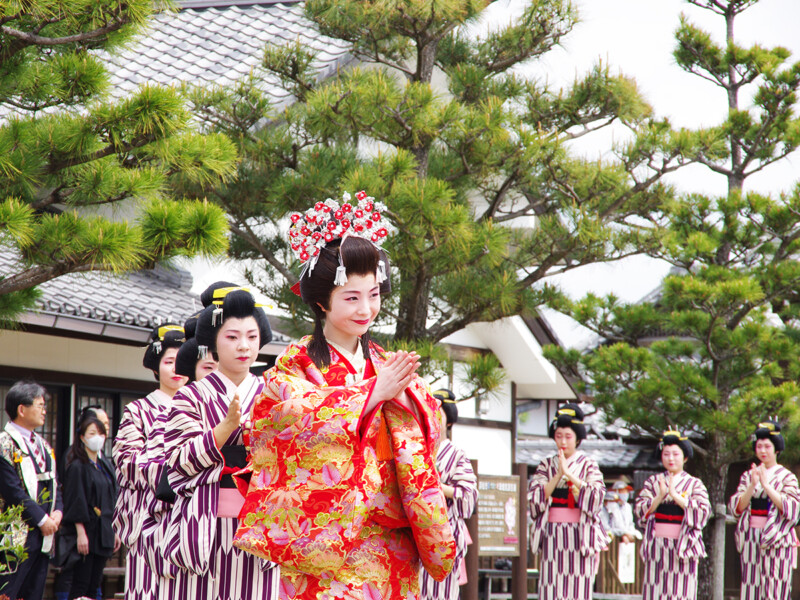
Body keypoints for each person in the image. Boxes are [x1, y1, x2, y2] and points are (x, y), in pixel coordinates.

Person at [233, 191, 456, 599]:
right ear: (322, 301)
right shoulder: (297, 363)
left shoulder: (385, 362)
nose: (365, 309)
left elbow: (429, 436)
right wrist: (372, 394)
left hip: (391, 542)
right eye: (352, 298)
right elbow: (278, 422)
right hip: (326, 543)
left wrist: (414, 405)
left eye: (373, 295)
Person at [158, 285, 278, 600]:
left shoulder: (274, 394)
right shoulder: (191, 396)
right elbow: (178, 461)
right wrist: (224, 429)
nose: (244, 346)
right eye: (232, 337)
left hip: (259, 525)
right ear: (213, 341)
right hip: (203, 526)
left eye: (252, 337)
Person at [113, 324, 187, 600]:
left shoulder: (199, 407)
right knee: (148, 589)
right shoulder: (138, 410)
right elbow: (127, 461)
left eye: (182, 361)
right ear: (156, 367)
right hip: (148, 516)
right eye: (169, 362)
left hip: (189, 517)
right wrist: (179, 469)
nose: (176, 368)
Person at [528, 403, 607, 599]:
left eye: (568, 436)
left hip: (579, 535)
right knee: (551, 585)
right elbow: (535, 498)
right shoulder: (546, 465)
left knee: (577, 586)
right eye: (559, 436)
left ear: (578, 438)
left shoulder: (588, 464)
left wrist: (571, 476)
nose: (563, 441)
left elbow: (597, 497)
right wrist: (557, 475)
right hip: (552, 533)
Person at [0, 380, 63, 600]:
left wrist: (58, 512)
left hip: (43, 535)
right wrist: (42, 520)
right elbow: (12, 491)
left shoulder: (43, 445)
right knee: (8, 591)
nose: (44, 411)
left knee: (33, 593)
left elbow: (55, 484)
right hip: (13, 536)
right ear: (21, 409)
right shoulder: (4, 444)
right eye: (40, 405)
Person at [634, 430, 710, 600]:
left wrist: (676, 496)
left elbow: (703, 512)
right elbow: (640, 510)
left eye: (676, 454)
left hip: (683, 546)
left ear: (685, 457)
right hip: (657, 544)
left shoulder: (694, 483)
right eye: (666, 454)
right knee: (655, 590)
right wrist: (660, 496)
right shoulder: (653, 482)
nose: (671, 458)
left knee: (680, 591)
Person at [729, 420, 799, 600]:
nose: (762, 451)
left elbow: (793, 509)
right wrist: (752, 485)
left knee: (775, 586)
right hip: (751, 536)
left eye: (767, 446)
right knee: (751, 585)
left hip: (777, 538)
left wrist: (767, 486)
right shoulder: (748, 476)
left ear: (776, 449)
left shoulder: (787, 477)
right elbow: (737, 508)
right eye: (759, 446)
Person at [420, 389, 478, 600]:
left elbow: (468, 494)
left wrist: (435, 486)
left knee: (441, 592)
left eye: (439, 414)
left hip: (445, 532)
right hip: (417, 531)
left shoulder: (456, 455)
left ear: (449, 421)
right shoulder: (417, 451)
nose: (434, 418)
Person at [59, 415, 120, 600]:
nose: (97, 438)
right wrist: (80, 532)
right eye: (92, 433)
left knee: (95, 584)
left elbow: (112, 497)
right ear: (82, 437)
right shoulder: (77, 465)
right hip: (86, 532)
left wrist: (115, 529)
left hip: (103, 532)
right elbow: (75, 499)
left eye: (100, 433)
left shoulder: (105, 465)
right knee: (81, 583)